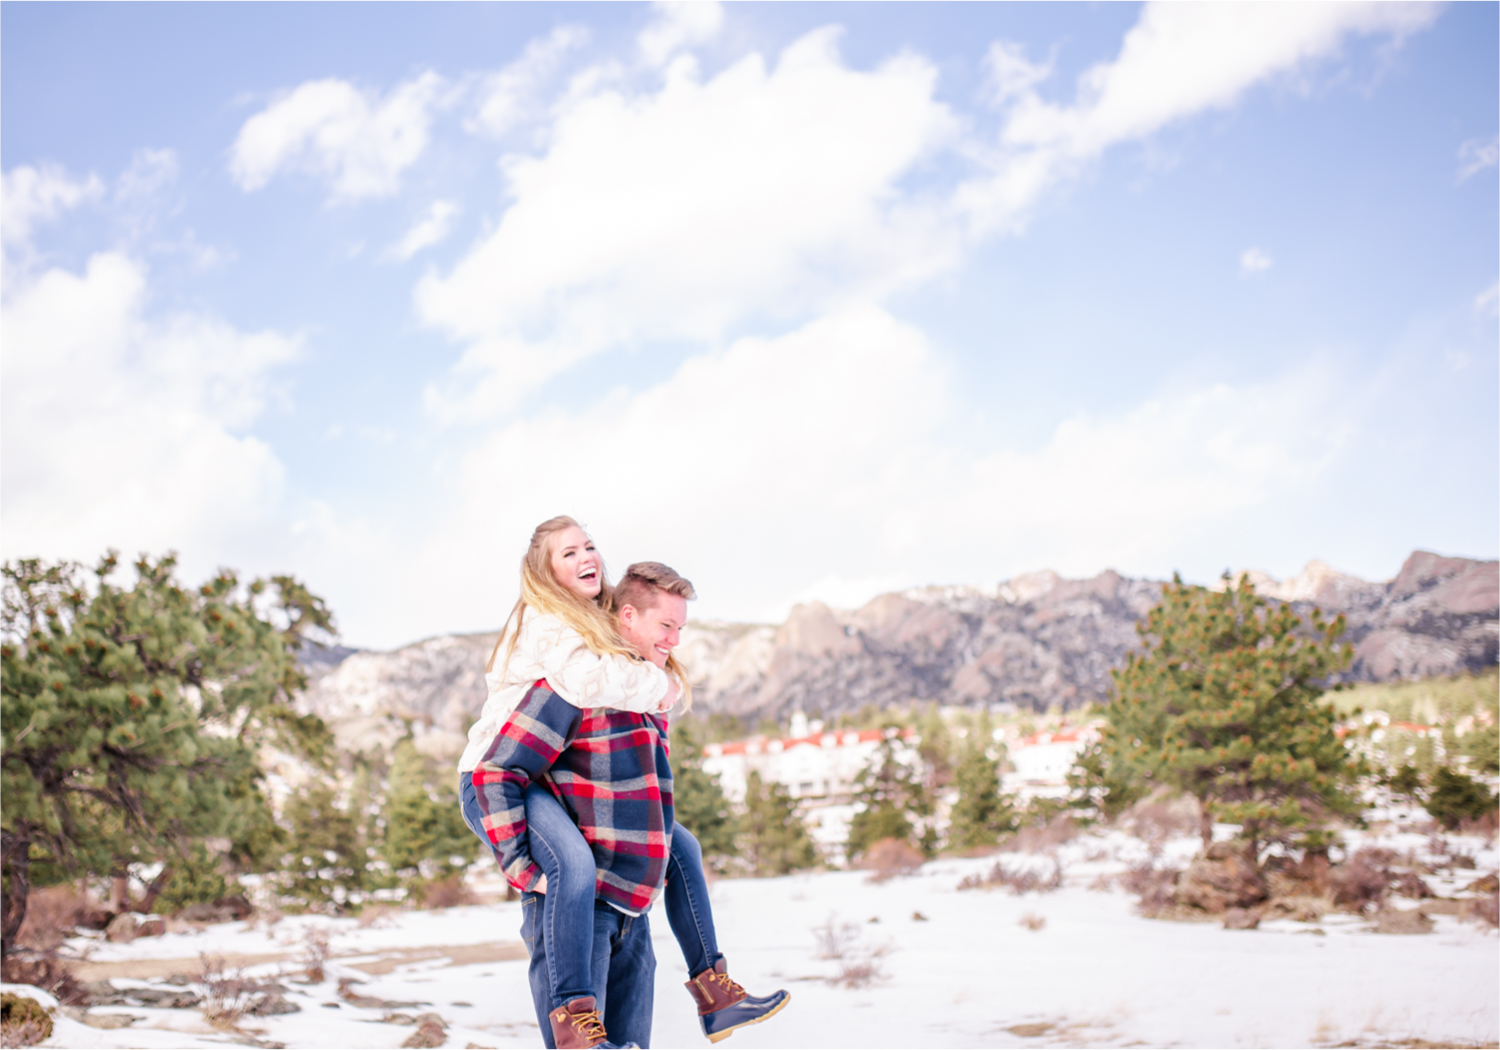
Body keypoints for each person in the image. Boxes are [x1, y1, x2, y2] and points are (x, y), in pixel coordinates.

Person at [457, 520, 787, 1047]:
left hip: (619, 898)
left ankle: (713, 987)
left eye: (589, 545)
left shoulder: (623, 676)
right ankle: (572, 1013)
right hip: (498, 785)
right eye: (569, 551)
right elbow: (499, 771)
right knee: (571, 861)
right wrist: (520, 865)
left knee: (682, 845)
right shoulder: (561, 662)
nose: (674, 641)